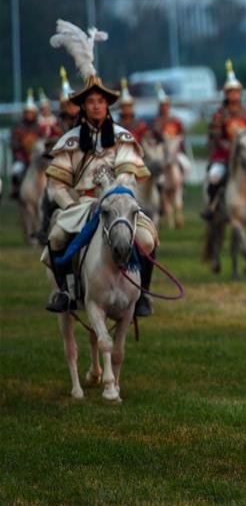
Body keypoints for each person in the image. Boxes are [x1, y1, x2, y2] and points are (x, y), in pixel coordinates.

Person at [43, 19, 157, 316]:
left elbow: (129, 174)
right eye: (91, 101)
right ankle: (65, 292)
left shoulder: (123, 138)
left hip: (118, 203)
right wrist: (69, 205)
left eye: (101, 101)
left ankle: (141, 295)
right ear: (83, 106)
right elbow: (56, 185)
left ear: (108, 105)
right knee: (56, 237)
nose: (96, 106)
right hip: (81, 206)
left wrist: (114, 195)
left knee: (147, 239)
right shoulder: (69, 141)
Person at [202, 60, 246, 220]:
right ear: (226, 94)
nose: (234, 95)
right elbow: (216, 136)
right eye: (231, 92)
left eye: (236, 92)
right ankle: (212, 205)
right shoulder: (219, 115)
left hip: (245, 155)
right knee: (215, 176)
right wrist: (229, 146)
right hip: (224, 155)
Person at [10, 89, 41, 200]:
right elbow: (13, 143)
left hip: (37, 157)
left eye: (31, 113)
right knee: (16, 169)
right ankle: (16, 189)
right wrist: (23, 145)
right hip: (22, 156)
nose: (29, 115)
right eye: (27, 112)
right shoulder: (19, 127)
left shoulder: (39, 126)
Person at [116, 79, 149, 145]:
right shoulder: (116, 127)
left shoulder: (141, 126)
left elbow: (146, 142)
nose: (127, 109)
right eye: (125, 106)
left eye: (129, 106)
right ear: (121, 108)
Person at [57, 67, 80, 134]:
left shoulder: (84, 120)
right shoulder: (58, 124)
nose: (73, 107)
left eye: (74, 104)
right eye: (69, 105)